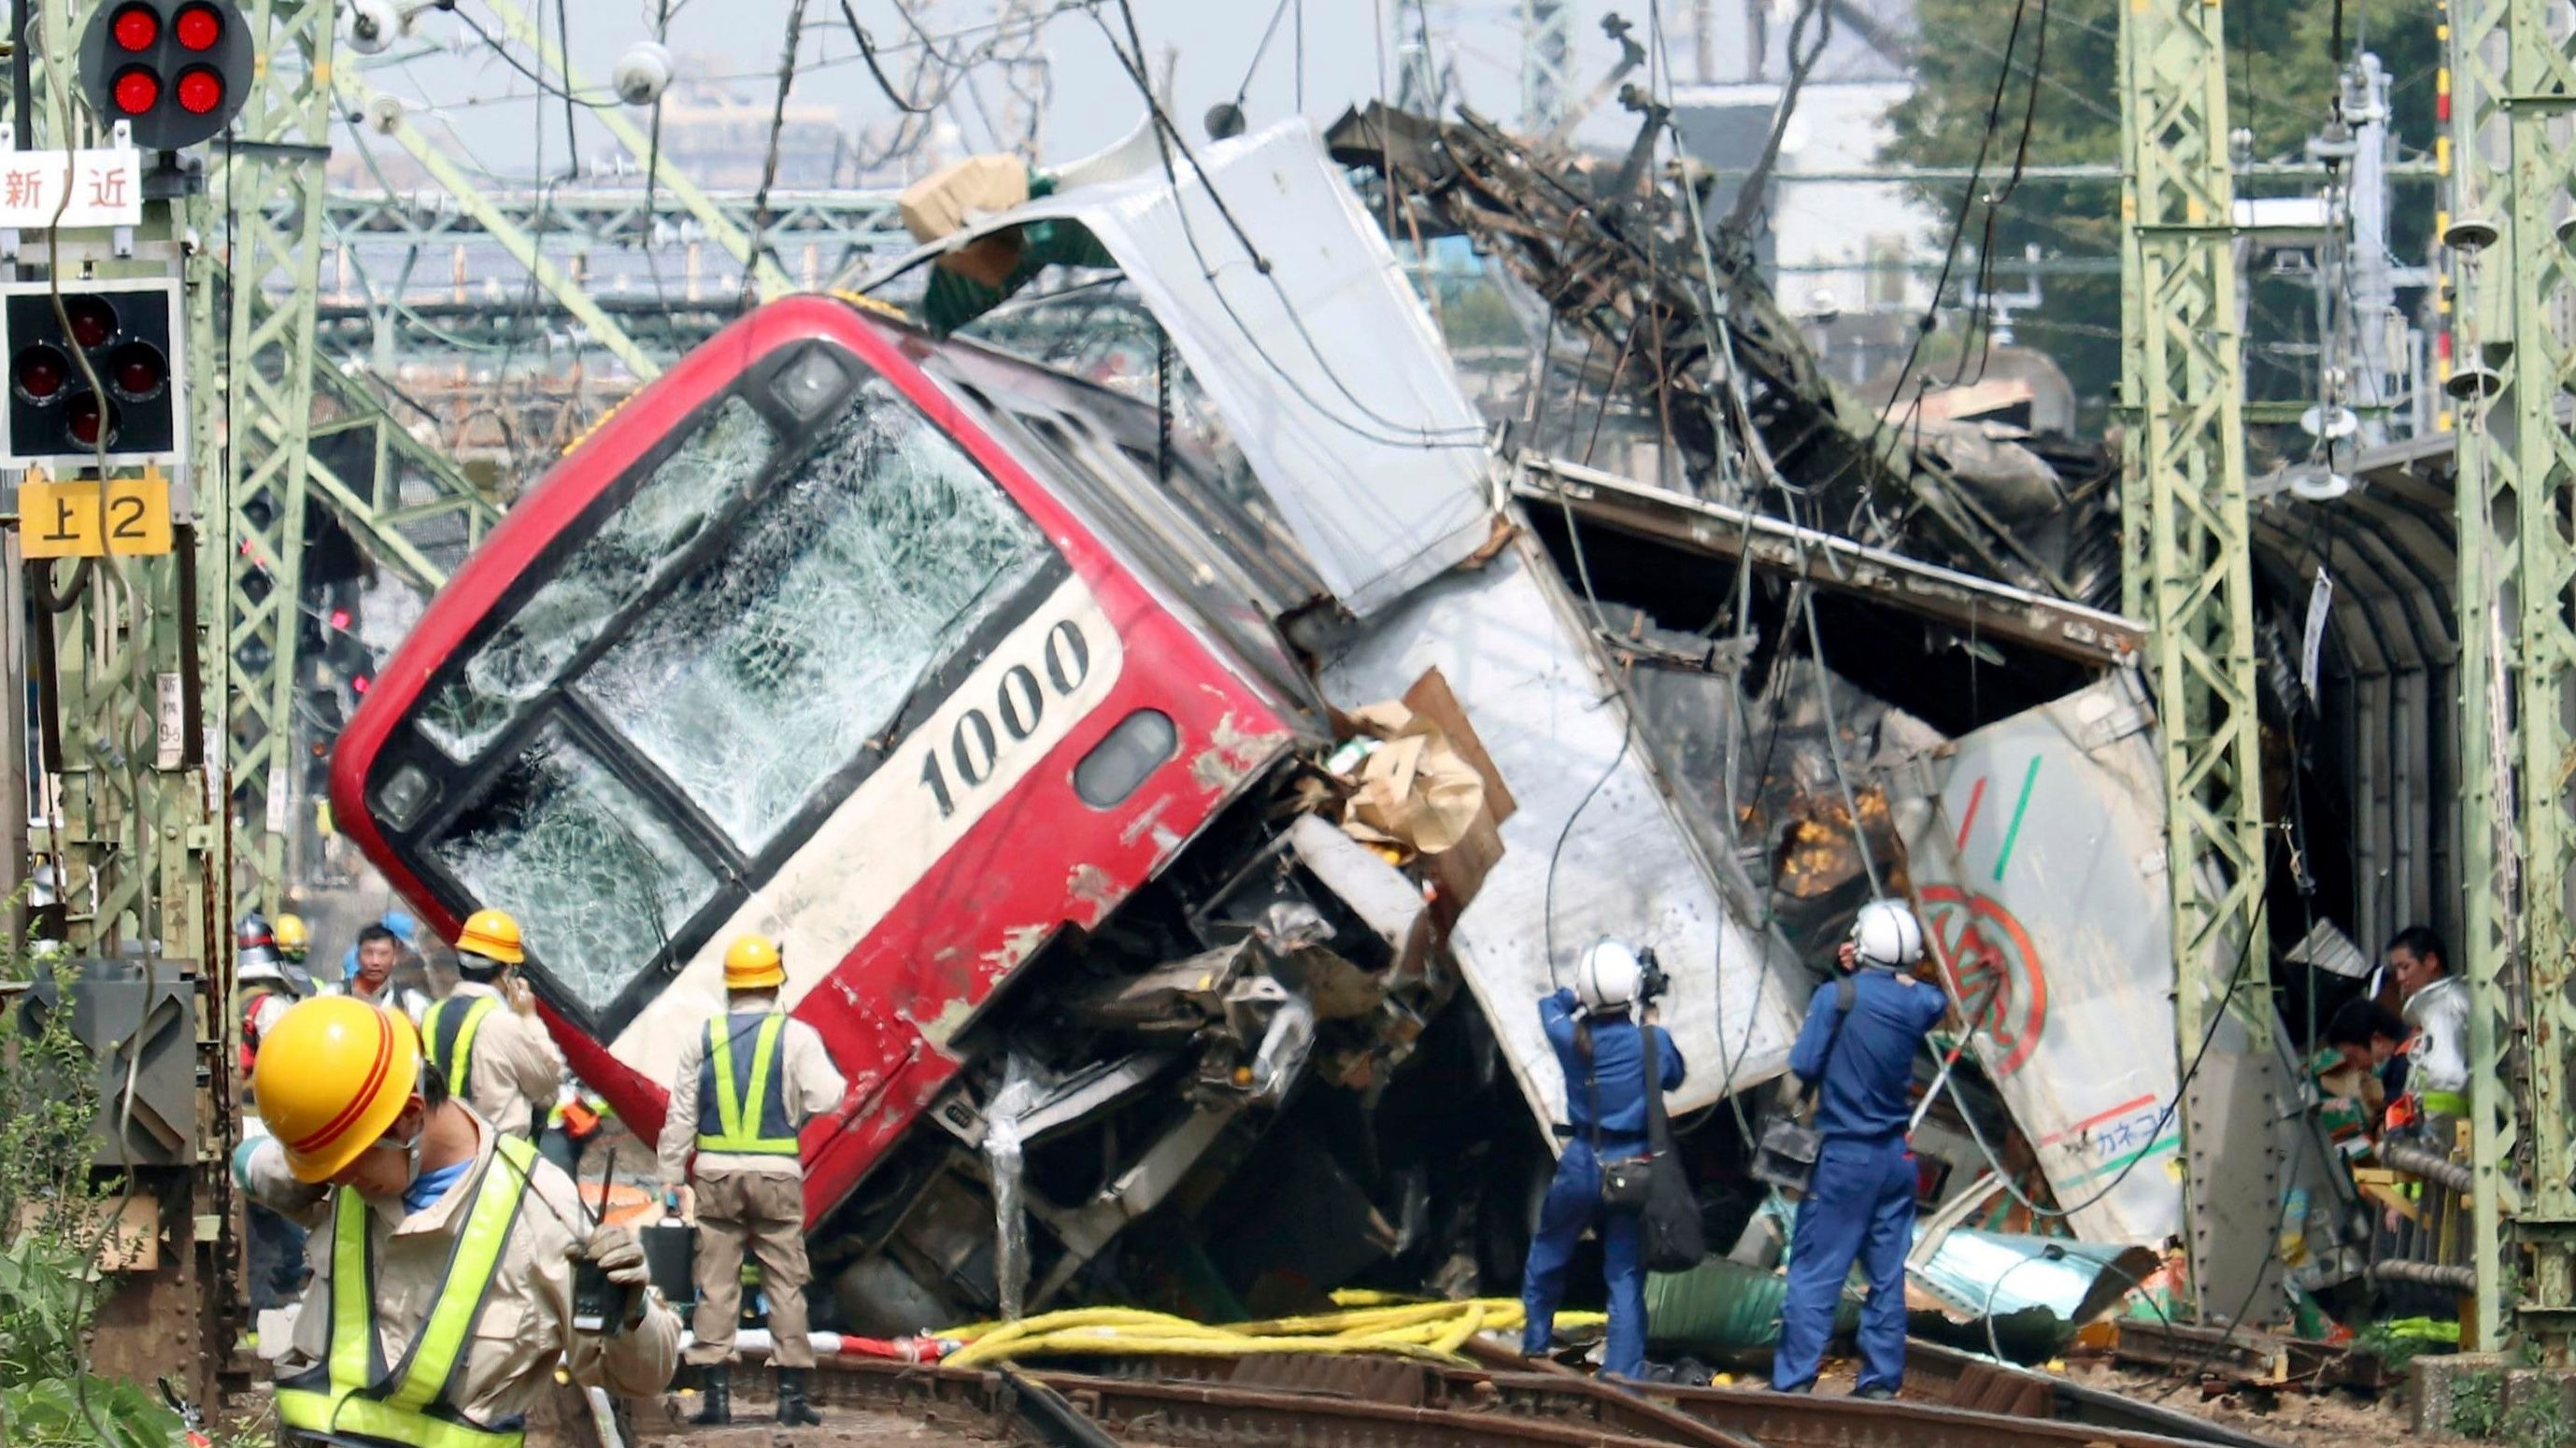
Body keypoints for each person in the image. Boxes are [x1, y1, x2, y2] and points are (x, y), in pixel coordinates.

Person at [239, 997, 677, 1444]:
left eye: (350, 1165)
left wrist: (633, 1311)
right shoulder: (341, 1166)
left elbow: (644, 1376)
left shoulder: (538, 1208)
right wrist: (253, 1163)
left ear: (409, 1117)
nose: (340, 1180)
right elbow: (257, 1165)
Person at [656, 935, 847, 1427]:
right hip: (777, 1176)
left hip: (716, 1175)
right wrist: (795, 1107)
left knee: (716, 1284)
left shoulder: (703, 1038)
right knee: (784, 1282)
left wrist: (671, 1176)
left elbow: (679, 1116)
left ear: (730, 987)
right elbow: (828, 1097)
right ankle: (790, 1400)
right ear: (775, 984)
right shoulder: (797, 1036)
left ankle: (716, 1402)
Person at [1772, 900, 1946, 1400]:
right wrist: (1898, 976)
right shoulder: (1917, 1004)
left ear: (1858, 945)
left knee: (1815, 1273)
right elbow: (1934, 1000)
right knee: (1886, 1277)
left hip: (1842, 1159)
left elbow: (1801, 1070)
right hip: (1896, 1160)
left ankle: (1794, 1382)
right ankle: (1879, 1384)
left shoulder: (1835, 997)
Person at [1518, 940, 1686, 1382]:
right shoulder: (1650, 1041)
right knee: (1625, 1272)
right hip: (1634, 1165)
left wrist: (1577, 995)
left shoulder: (1568, 1037)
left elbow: (1546, 1004)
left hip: (1582, 1160)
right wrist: (1651, 1022)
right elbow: (1674, 1076)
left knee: (1551, 1247)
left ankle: (1535, 1342)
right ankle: (1622, 1374)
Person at [420, 909, 568, 1143]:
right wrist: (529, 1018)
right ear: (507, 969)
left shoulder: (431, 1015)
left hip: (444, 1153)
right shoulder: (502, 1023)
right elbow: (548, 1083)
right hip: (498, 1158)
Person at [235, 913, 311, 1318]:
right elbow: (291, 1061)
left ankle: (262, 1299)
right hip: (263, 1122)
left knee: (253, 1219)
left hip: (236, 1121)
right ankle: (280, 1290)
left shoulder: (229, 1000)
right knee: (281, 1207)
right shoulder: (271, 1005)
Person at [2388, 925, 2467, 1144]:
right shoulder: (2449, 1002)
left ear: (2431, 962)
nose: (2400, 978)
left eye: (2405, 967)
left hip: (2452, 1147)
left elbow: (2447, 1079)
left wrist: (2429, 1137)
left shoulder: (2442, 1008)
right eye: (2397, 970)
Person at [2326, 998, 2410, 1129]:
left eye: (2353, 1057)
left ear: (2377, 1040)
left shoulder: (2407, 1066)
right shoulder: (2394, 1065)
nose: (2356, 1067)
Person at [342, 921, 431, 1023]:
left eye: (383, 954)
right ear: (357, 957)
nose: (375, 962)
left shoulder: (413, 1004)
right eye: (368, 953)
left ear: (394, 958)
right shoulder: (332, 994)